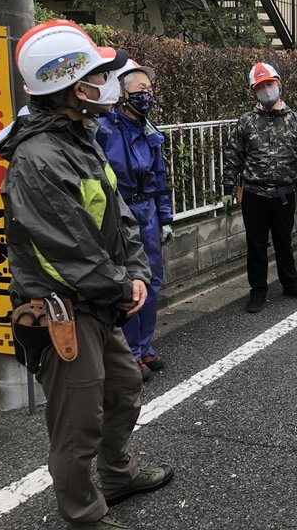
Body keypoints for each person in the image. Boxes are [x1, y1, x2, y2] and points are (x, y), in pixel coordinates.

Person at [0, 20, 173, 529]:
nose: (112, 83)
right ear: (77, 87)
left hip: (99, 302)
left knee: (121, 390)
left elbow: (119, 215)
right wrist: (122, 285)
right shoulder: (37, 158)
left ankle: (116, 477)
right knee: (77, 426)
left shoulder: (81, 137)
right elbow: (65, 251)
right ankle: (83, 516)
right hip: (64, 310)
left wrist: (136, 271)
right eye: (102, 74)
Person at [96, 59, 173, 382]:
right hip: (119, 213)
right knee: (129, 285)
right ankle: (128, 355)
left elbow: (159, 175)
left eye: (150, 90)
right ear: (121, 92)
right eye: (141, 89)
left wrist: (165, 216)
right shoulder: (104, 129)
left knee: (152, 282)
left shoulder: (148, 129)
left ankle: (144, 346)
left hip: (148, 214)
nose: (147, 95)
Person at [222, 62, 297, 313]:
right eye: (261, 86)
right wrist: (227, 187)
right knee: (256, 245)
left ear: (279, 84)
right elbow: (233, 156)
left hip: (285, 194)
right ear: (254, 91)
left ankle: (290, 283)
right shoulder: (246, 122)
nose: (266, 90)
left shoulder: (296, 121)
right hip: (254, 194)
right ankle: (258, 290)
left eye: (270, 84)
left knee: (284, 241)